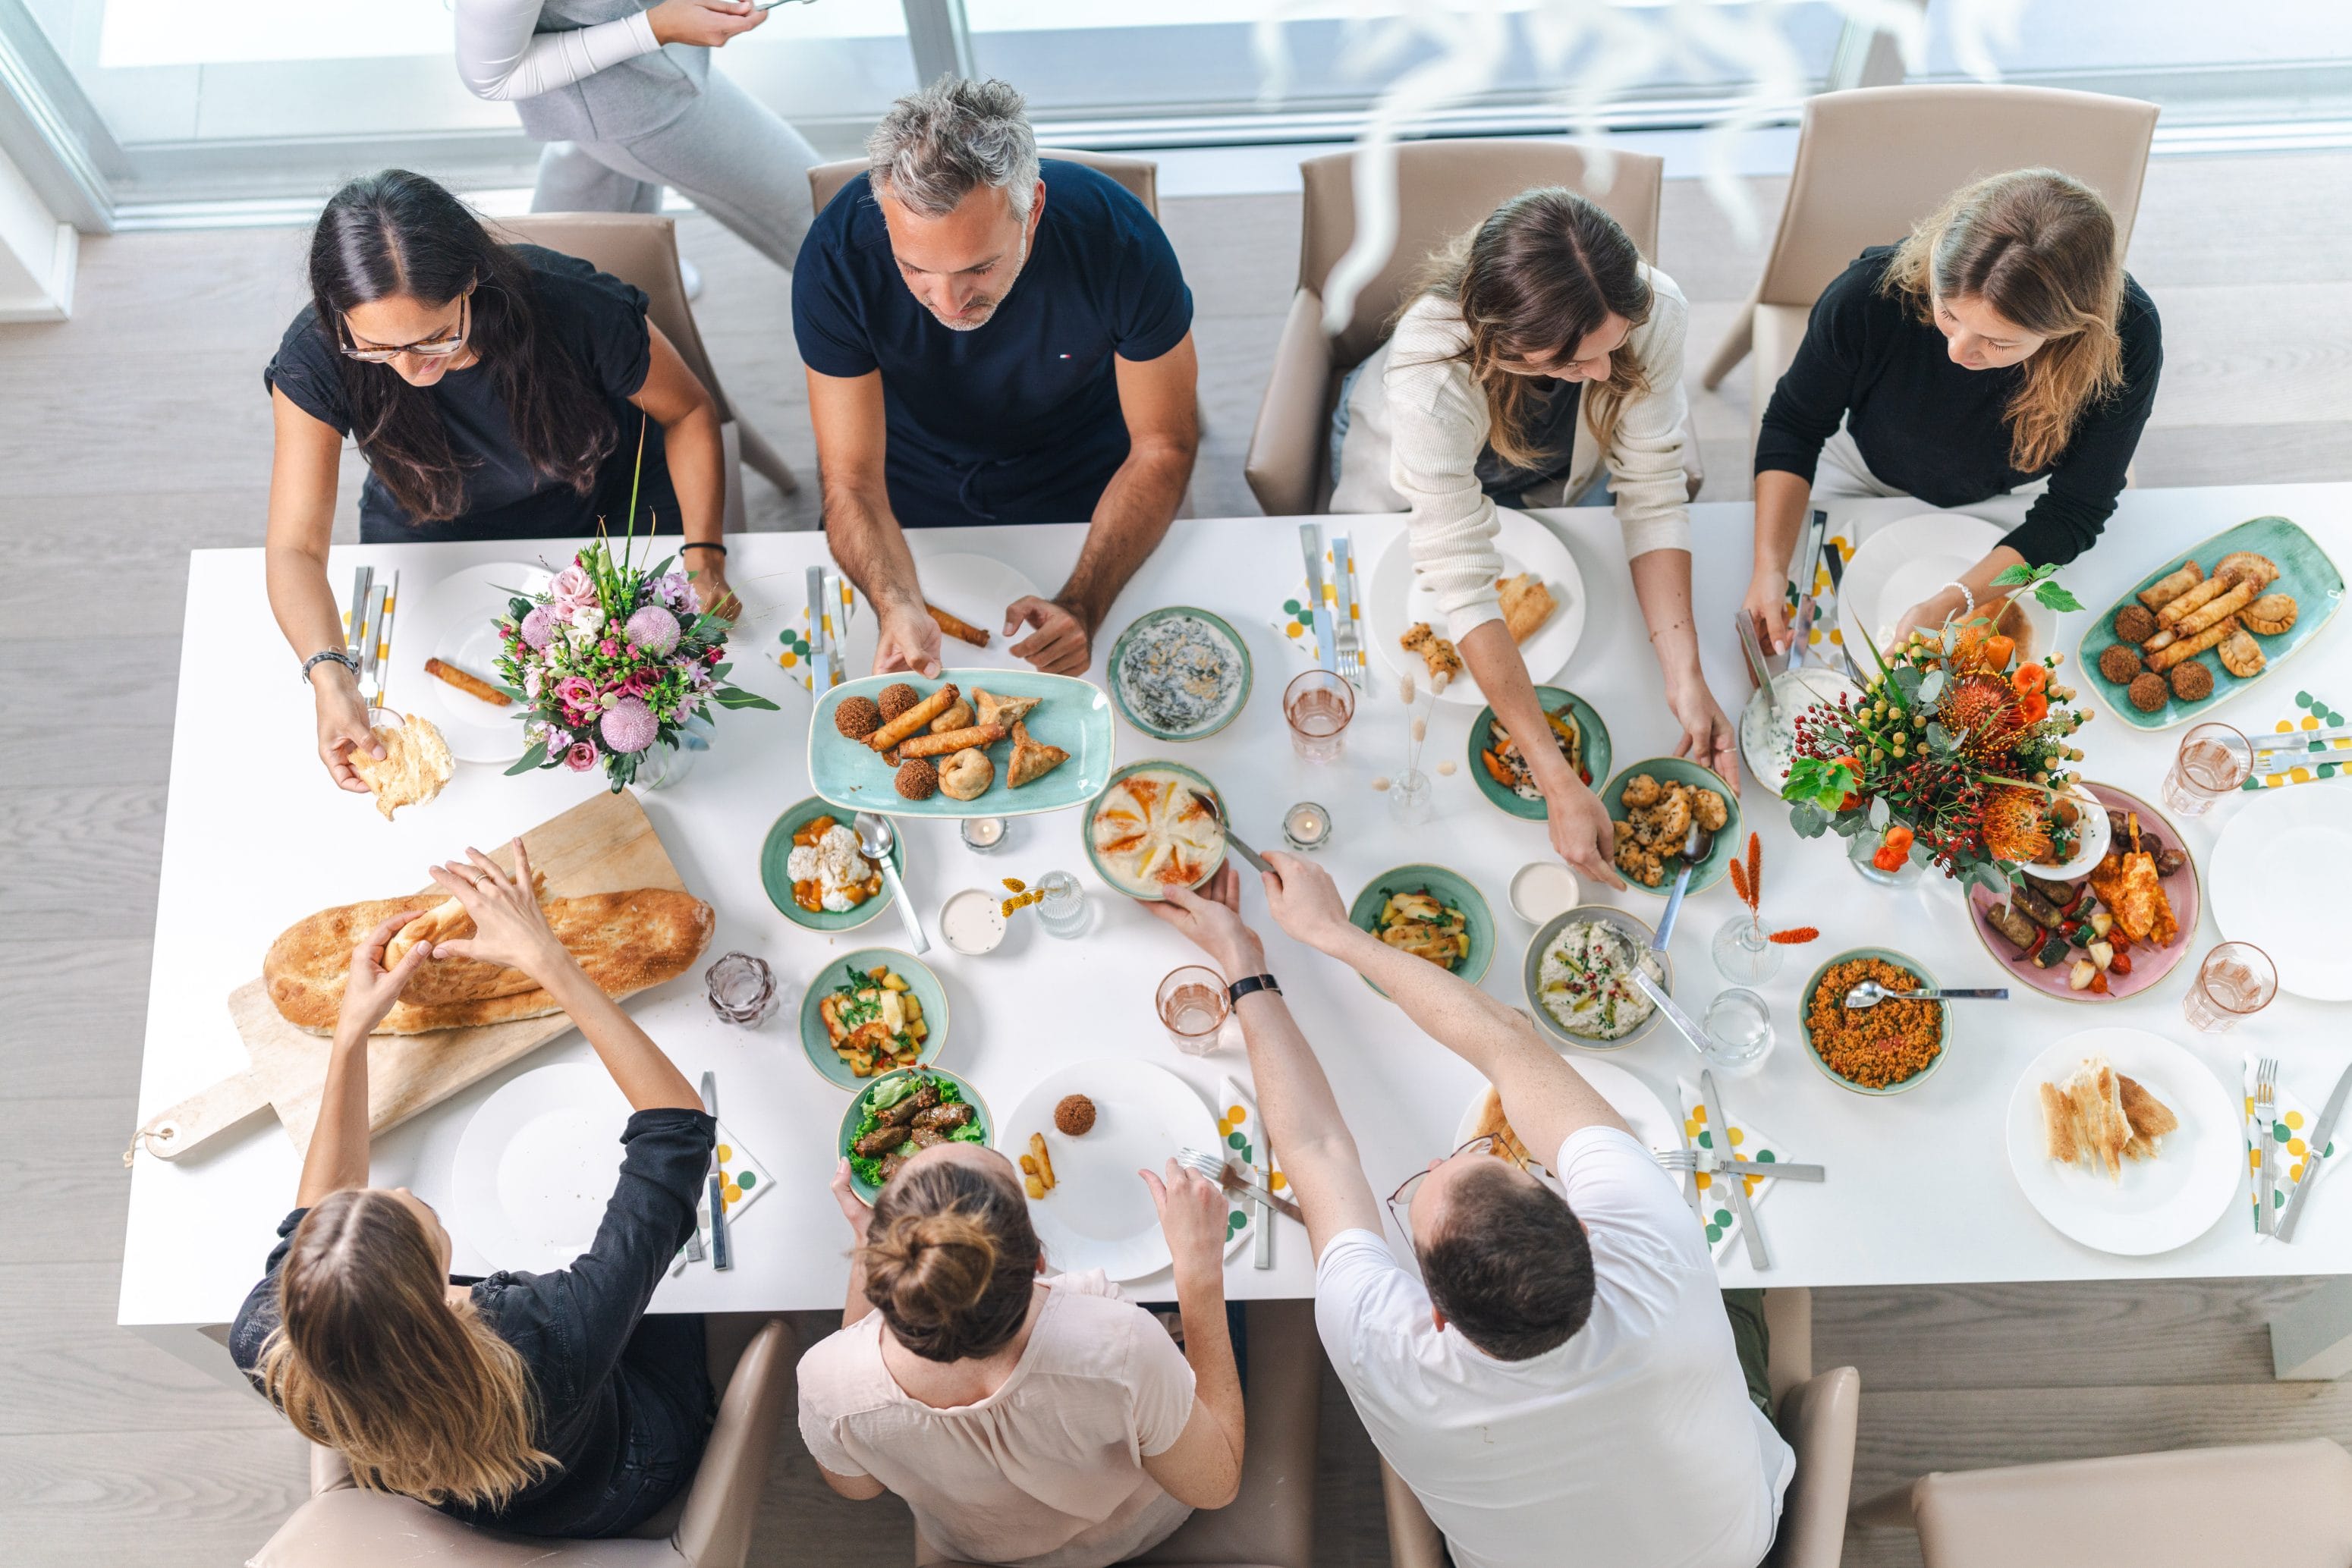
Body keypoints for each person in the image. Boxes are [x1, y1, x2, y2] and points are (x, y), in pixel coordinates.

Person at [1145, 858, 1794, 1568]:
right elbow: (1508, 1041)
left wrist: (1245, 962)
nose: (1436, 1159)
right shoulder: (1655, 1236)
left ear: (1435, 1312)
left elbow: (1313, 1147)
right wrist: (1334, 933)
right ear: (1580, 1221)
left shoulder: (1379, 1345)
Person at [228, 840, 718, 1538]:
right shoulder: (545, 1338)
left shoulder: (265, 1341)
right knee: (699, 1285)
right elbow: (677, 1132)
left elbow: (318, 1208)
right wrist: (547, 960)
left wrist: (351, 1032)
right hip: (629, 1465)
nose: (393, 1186)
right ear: (434, 1287)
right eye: (402, 1212)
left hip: (479, 1498)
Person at [265, 169, 737, 796]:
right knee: (424, 715)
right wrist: (328, 676)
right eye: (377, 349)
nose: (409, 370)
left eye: (436, 337)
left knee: (644, 706)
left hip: (602, 503)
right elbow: (294, 547)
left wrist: (704, 555)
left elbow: (689, 412)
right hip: (428, 518)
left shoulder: (570, 302)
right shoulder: (314, 354)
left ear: (471, 282)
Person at [1328, 188, 1733, 890]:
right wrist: (1555, 779)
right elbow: (1460, 574)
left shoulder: (1654, 307)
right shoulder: (1429, 373)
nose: (1604, 374)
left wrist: (1685, 677)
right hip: (1412, 472)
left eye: (1611, 350)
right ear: (1499, 343)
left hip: (1554, 472)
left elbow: (1653, 487)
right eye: (1573, 364)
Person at [793, 76, 1200, 677]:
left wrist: (1082, 603)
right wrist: (896, 602)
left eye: (979, 267)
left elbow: (1165, 444)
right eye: (916, 269)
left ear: (1031, 207)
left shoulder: (1119, 243)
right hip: (907, 482)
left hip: (1085, 474)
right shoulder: (835, 259)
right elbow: (850, 479)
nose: (950, 301)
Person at [1742, 167, 2162, 653]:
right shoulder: (1867, 296)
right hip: (1858, 466)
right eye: (1949, 313)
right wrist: (1769, 568)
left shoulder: (2128, 337)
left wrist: (1959, 596)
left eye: (1999, 342)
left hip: (2018, 499)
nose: (1958, 352)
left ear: (2068, 331)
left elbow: (2074, 510)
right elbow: (1794, 426)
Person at [797, 1143, 1244, 1568]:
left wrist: (869, 1251)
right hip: (1124, 1531)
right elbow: (1215, 1487)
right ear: (1037, 1258)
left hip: (976, 1548)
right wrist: (1199, 1269)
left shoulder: (826, 1381)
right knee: (1236, 1318)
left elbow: (857, 1487)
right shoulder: (1122, 1344)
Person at [454, 0, 822, 276]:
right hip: (634, 103)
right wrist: (655, 27)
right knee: (825, 211)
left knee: (589, 243)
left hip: (625, 92)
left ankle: (540, 309)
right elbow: (492, 77)